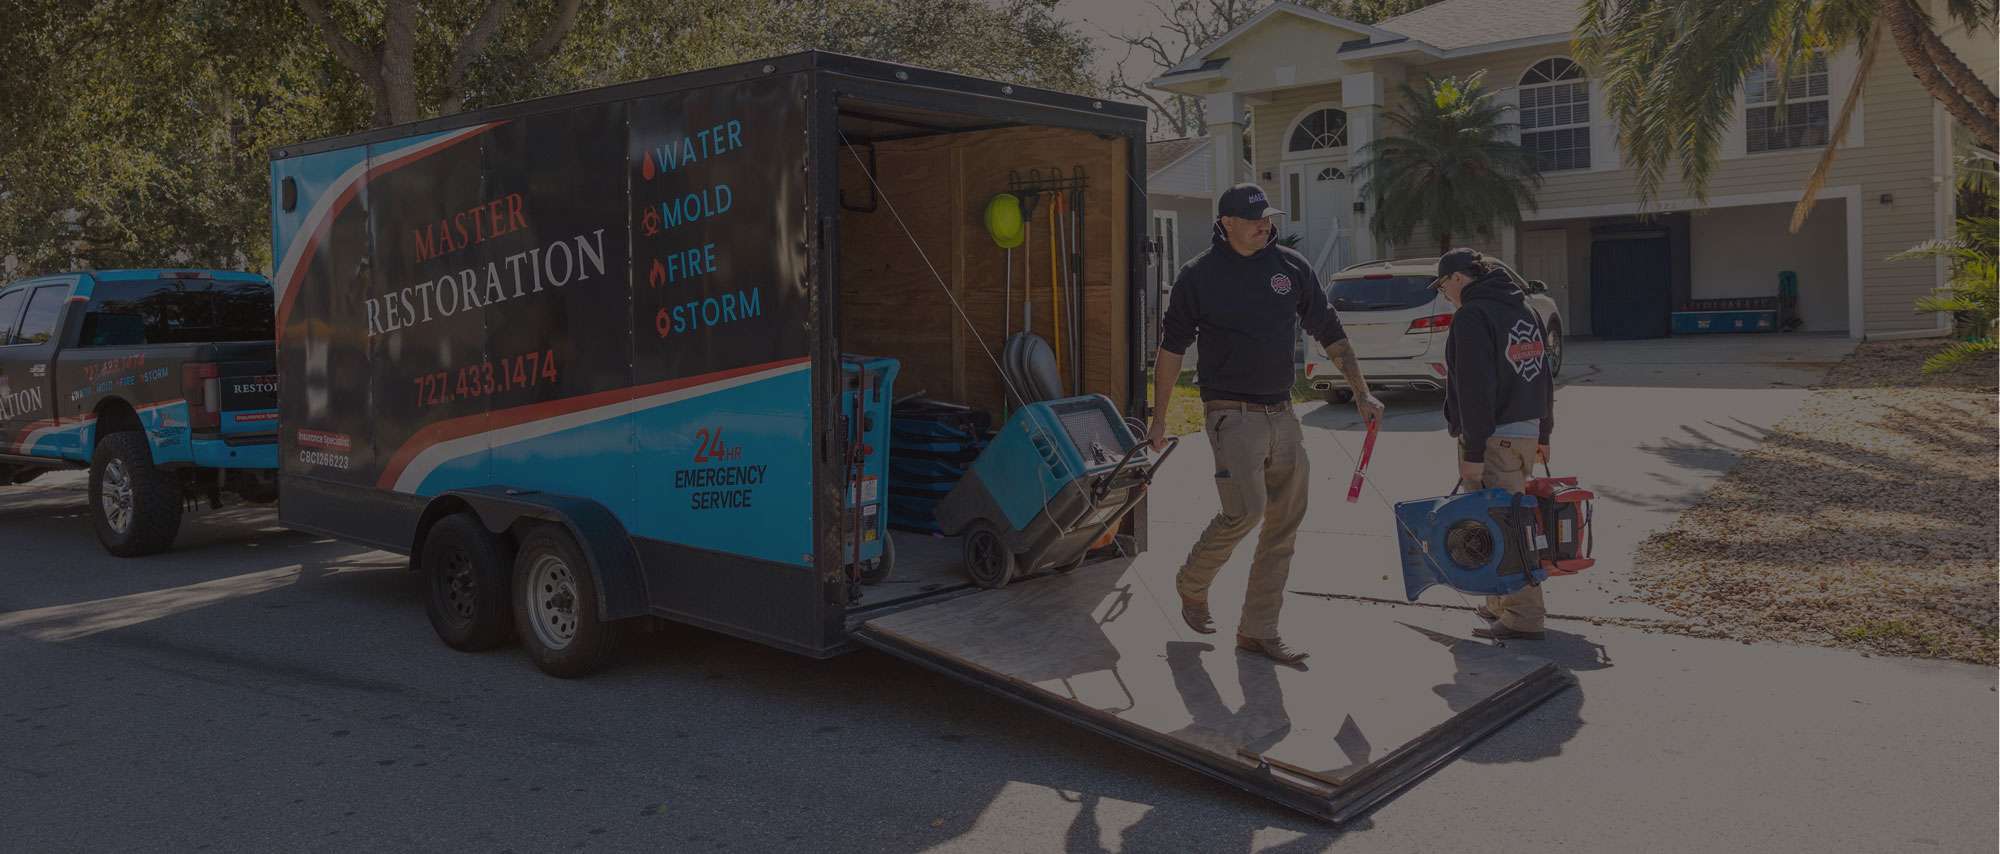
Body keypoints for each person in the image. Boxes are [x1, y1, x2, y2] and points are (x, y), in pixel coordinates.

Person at [1148, 183, 1383, 665]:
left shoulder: (1290, 268)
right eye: (1254, 219)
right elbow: (1171, 351)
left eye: (1268, 217)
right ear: (1227, 223)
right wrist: (1158, 419)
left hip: (1284, 413)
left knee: (1284, 522)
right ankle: (1193, 581)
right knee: (1245, 511)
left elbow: (1330, 332)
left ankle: (1259, 630)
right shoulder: (1200, 276)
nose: (1265, 225)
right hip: (1231, 415)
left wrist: (1361, 391)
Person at [1431, 248, 1556, 641]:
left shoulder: (1473, 316)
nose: (1445, 295)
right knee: (1502, 521)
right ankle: (1497, 603)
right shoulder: (1526, 309)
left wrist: (1471, 452)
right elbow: (1544, 376)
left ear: (1457, 279)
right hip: (1524, 433)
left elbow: (1474, 391)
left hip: (1493, 439)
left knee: (1502, 526)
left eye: (1443, 286)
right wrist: (1545, 432)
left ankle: (1523, 615)